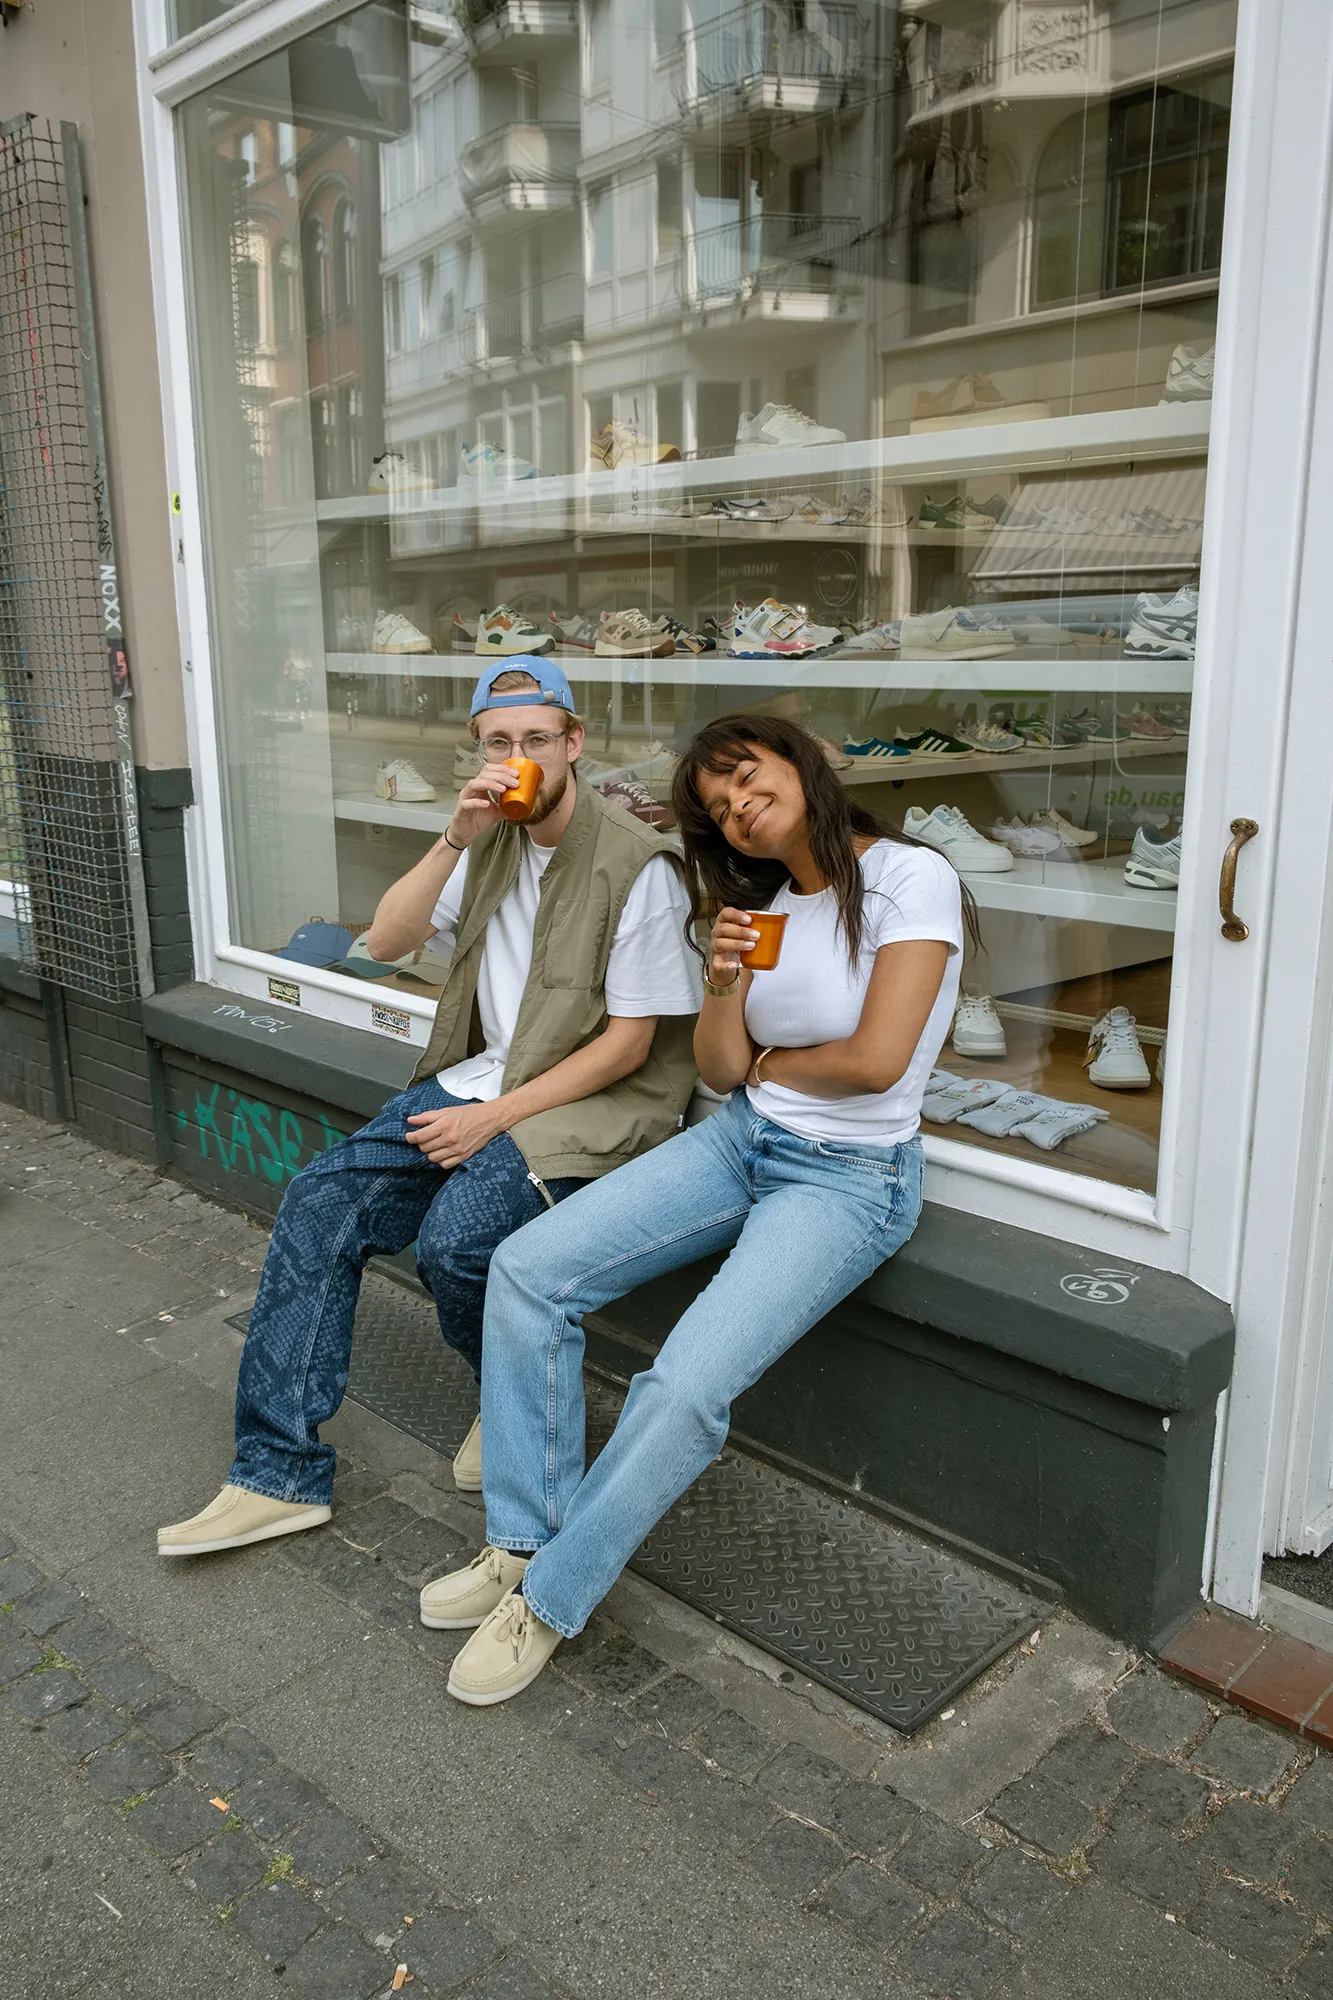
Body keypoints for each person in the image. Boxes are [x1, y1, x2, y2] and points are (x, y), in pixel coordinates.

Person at [424, 712, 968, 1704]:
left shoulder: (908, 877)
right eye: (717, 807)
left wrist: (775, 1064)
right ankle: (521, 1538)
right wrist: (724, 973)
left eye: (746, 779)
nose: (739, 809)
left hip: (848, 1179)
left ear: (800, 761)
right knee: (527, 1269)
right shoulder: (762, 904)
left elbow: (880, 1060)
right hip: (737, 1137)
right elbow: (719, 1067)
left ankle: (548, 1598)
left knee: (679, 1388)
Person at [158, 660, 701, 1556]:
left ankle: (508, 1400)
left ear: (572, 745)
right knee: (320, 1201)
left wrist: (492, 1120)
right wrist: (453, 835)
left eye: (535, 739)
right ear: (478, 749)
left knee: (457, 1242)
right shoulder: (486, 836)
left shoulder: (637, 865)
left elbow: (629, 1048)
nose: (515, 755)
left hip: (590, 1102)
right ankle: (278, 1474)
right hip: (482, 1077)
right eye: (497, 741)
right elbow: (387, 940)